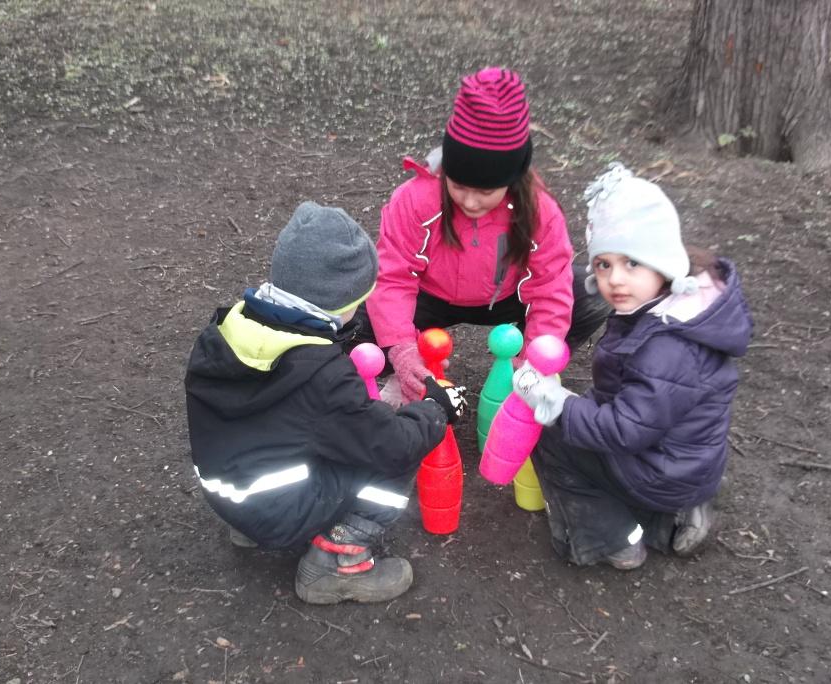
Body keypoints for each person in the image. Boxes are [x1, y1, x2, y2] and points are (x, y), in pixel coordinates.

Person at [184, 201, 468, 604]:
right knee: (391, 459)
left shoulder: (229, 329)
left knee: (314, 435)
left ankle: (250, 527)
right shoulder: (320, 374)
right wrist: (436, 409)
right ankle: (337, 563)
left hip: (230, 493)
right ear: (342, 300)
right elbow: (390, 444)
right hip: (275, 510)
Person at [514, 163, 753, 570]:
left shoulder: (667, 346)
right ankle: (677, 513)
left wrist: (556, 403)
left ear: (663, 262)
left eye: (632, 263)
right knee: (578, 418)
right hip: (681, 460)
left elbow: (625, 430)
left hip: (658, 471)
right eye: (604, 265)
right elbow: (634, 402)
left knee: (550, 435)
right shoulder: (673, 309)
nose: (615, 280)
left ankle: (614, 540)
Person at [355, 67, 609, 405]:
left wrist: (534, 358)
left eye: (487, 192)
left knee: (589, 296)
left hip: (506, 296)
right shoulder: (415, 199)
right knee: (358, 316)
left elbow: (549, 287)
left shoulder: (539, 210)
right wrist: (401, 348)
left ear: (512, 180)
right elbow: (393, 277)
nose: (471, 202)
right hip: (429, 295)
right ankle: (399, 375)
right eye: (459, 186)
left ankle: (530, 371)